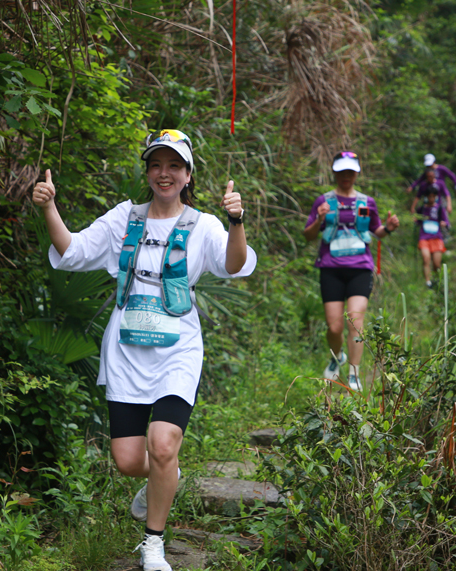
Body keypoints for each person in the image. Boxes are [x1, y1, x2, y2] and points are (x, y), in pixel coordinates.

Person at [32, 129, 257, 571]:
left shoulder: (203, 224)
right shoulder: (125, 218)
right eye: (156, 164)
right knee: (129, 460)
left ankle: (153, 544)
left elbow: (233, 265)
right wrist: (49, 208)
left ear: (188, 174)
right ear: (148, 171)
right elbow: (73, 250)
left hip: (178, 349)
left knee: (163, 442)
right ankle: (164, 476)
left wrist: (236, 220)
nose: (164, 173)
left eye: (174, 165)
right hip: (127, 351)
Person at [303, 151, 400, 391]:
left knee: (355, 321)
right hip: (330, 269)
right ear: (334, 172)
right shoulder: (323, 201)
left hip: (360, 269)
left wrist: (388, 228)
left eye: (350, 171)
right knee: (334, 327)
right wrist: (318, 219)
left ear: (356, 173)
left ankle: (354, 374)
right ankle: (337, 357)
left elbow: (376, 232)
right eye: (341, 171)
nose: (346, 176)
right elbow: (308, 235)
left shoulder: (366, 202)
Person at [415, 186, 450, 288]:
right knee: (426, 259)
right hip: (424, 238)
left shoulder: (439, 209)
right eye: (429, 196)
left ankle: (437, 282)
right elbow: (418, 221)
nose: (431, 198)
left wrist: (444, 223)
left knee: (436, 264)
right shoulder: (421, 209)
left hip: (437, 238)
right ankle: (428, 282)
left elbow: (446, 221)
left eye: (433, 196)